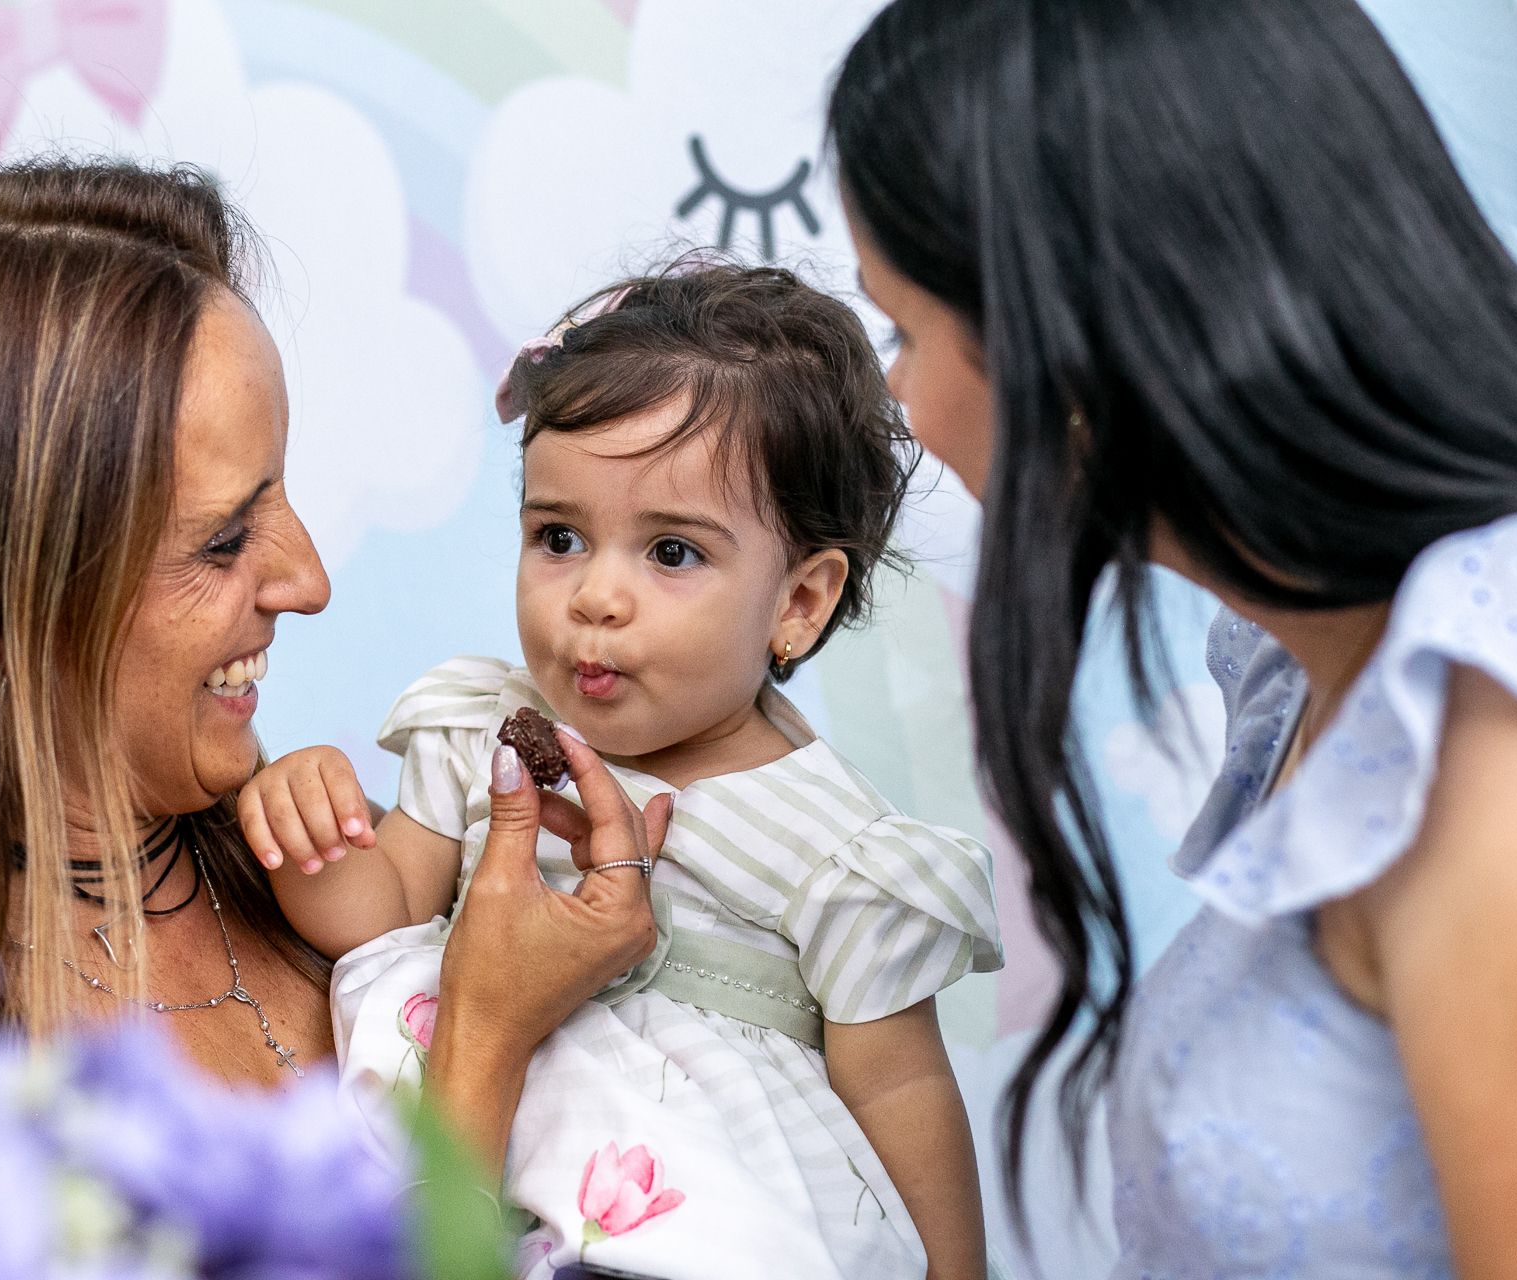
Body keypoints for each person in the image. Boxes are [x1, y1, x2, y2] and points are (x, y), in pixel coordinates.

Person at [0, 159, 663, 1173]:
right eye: (224, 539)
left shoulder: (357, 886)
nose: (309, 581)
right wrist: (486, 1033)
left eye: (281, 492)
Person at [828, 0, 1517, 1273]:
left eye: (902, 328)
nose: (898, 395)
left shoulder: (1509, 752)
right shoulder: (1317, 668)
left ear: (1069, 338)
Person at [238, 263, 1003, 1280]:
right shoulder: (479, 732)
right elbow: (377, 916)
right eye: (559, 537)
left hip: (712, 1232)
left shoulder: (835, 849)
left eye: (672, 553)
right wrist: (311, 827)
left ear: (800, 603)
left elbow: (901, 1091)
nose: (595, 596)